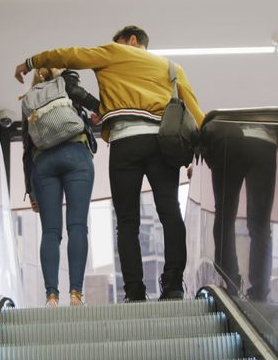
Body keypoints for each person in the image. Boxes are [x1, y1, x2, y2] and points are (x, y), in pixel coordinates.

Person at [15, 26, 205, 301]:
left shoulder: (115, 52)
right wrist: (200, 154)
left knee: (127, 222)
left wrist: (32, 62)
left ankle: (134, 290)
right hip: (162, 144)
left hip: (125, 144)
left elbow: (69, 55)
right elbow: (197, 113)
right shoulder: (172, 69)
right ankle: (174, 284)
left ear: (130, 40)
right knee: (170, 214)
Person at [21, 68, 100, 307]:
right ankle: (75, 294)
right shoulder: (65, 85)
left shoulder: (29, 99)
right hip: (75, 154)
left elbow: (27, 147)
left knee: (50, 232)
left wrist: (30, 190)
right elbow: (79, 94)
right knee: (77, 225)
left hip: (43, 163)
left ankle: (51, 296)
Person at [201, 120, 278, 302]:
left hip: (228, 138)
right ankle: (259, 292)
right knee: (260, 225)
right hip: (263, 142)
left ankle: (230, 283)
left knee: (224, 217)